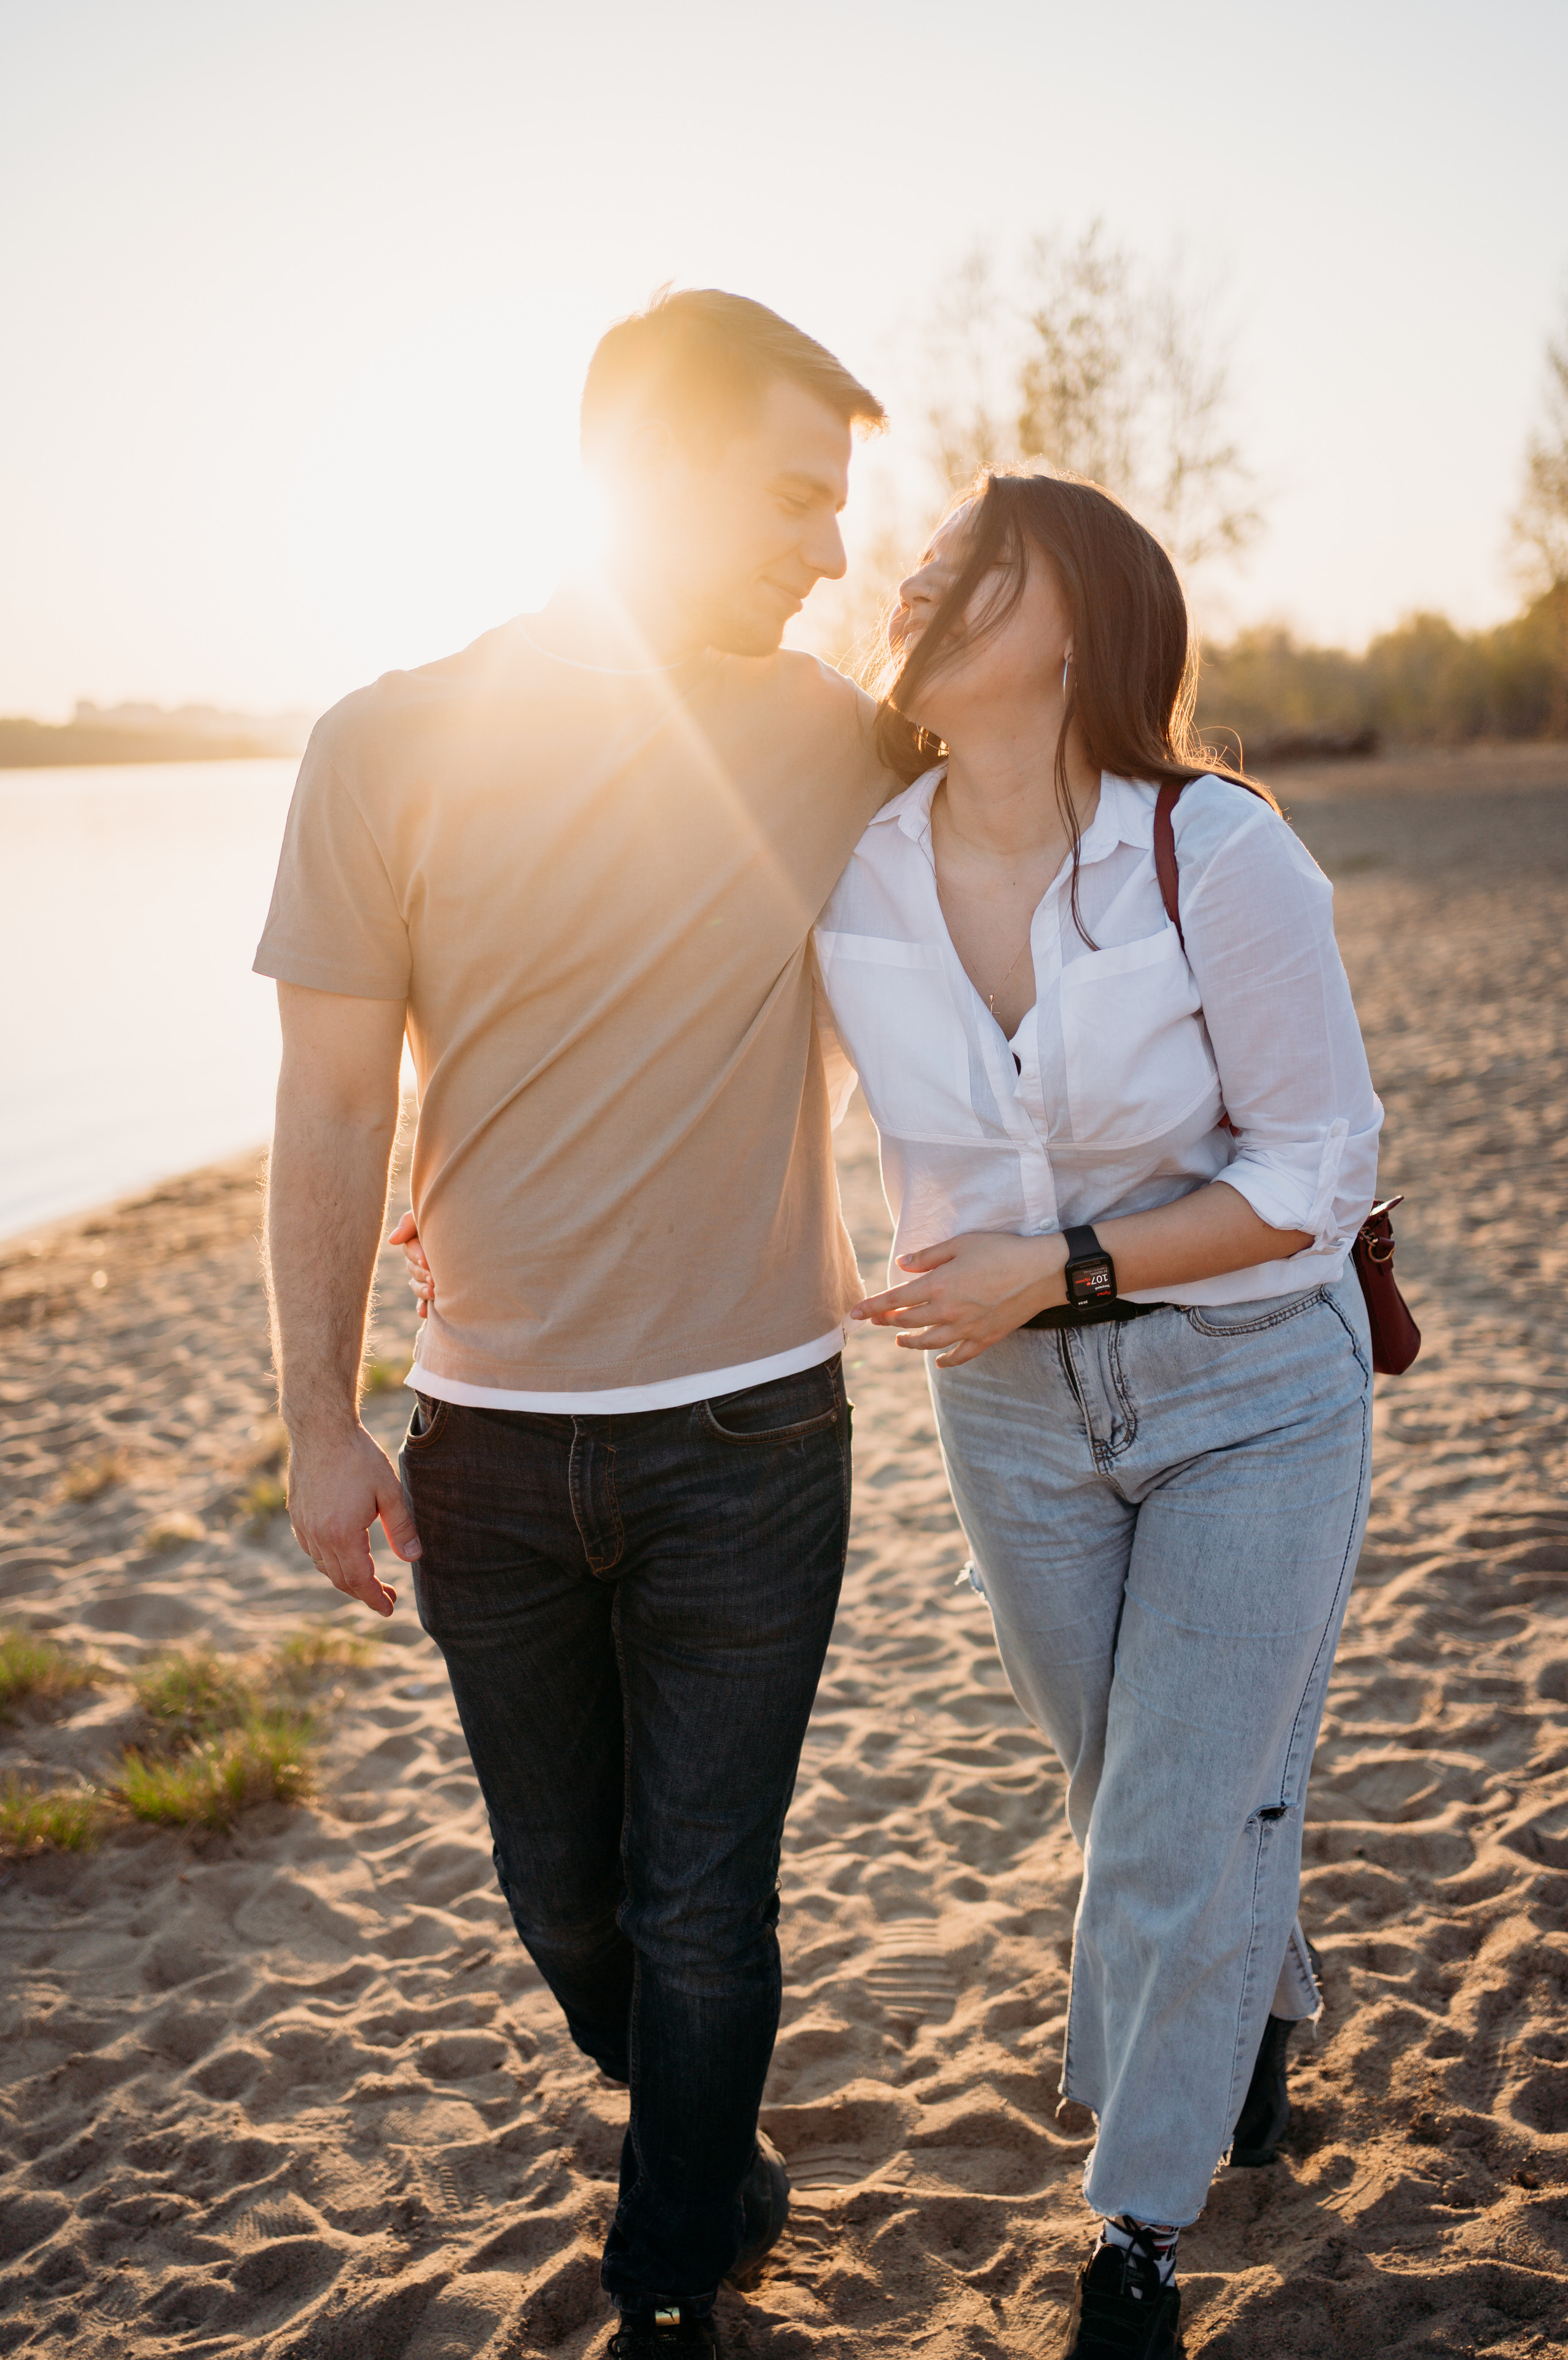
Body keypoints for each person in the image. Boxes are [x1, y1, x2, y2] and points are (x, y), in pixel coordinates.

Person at [254, 288, 905, 2360]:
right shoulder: (386, 740)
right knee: (569, 1904)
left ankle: (668, 2271)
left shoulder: (840, 741)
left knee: (711, 1904)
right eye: (797, 494)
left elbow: (1061, 792)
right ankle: (707, 2152)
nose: (830, 548)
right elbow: (338, 1102)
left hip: (753, 1443)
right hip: (490, 1453)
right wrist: (318, 1423)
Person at [813, 471, 1382, 2358]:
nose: (917, 578)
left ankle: (1132, 2238)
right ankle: (1270, 2003)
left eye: (977, 566)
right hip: (1012, 1424)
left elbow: (1318, 1166)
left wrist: (1063, 1271)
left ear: (1076, 623)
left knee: (1162, 1825)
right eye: (921, 559)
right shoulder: (855, 870)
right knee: (1138, 1797)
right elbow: (693, 1043)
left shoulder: (1213, 853)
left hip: (1252, 1394)